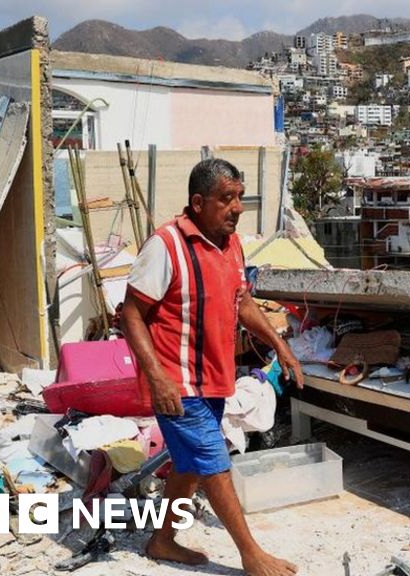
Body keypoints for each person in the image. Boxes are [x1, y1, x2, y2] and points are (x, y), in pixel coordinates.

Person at [121, 158, 303, 576]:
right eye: (227, 199)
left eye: (239, 197)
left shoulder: (231, 243)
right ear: (198, 202)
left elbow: (242, 303)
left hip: (214, 377)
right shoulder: (165, 246)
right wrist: (156, 376)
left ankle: (162, 540)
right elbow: (131, 314)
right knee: (213, 458)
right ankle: (251, 555)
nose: (237, 207)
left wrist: (279, 344)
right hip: (176, 380)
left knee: (188, 465)